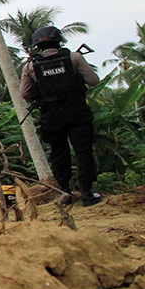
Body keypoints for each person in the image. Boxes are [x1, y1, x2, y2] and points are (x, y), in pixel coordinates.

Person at [20, 26, 101, 206]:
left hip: (51, 114)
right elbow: (94, 81)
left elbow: (24, 94)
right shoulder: (74, 58)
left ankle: (65, 192)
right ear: (59, 41)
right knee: (83, 151)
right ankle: (87, 193)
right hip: (77, 110)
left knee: (59, 153)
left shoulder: (31, 66)